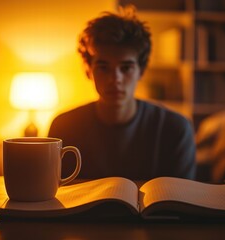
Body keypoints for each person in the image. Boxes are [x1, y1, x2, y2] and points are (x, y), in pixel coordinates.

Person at [48, 7, 196, 180]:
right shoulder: (64, 126)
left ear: (141, 71)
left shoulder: (175, 129)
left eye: (126, 68)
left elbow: (182, 201)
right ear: (88, 70)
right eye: (104, 67)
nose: (115, 78)